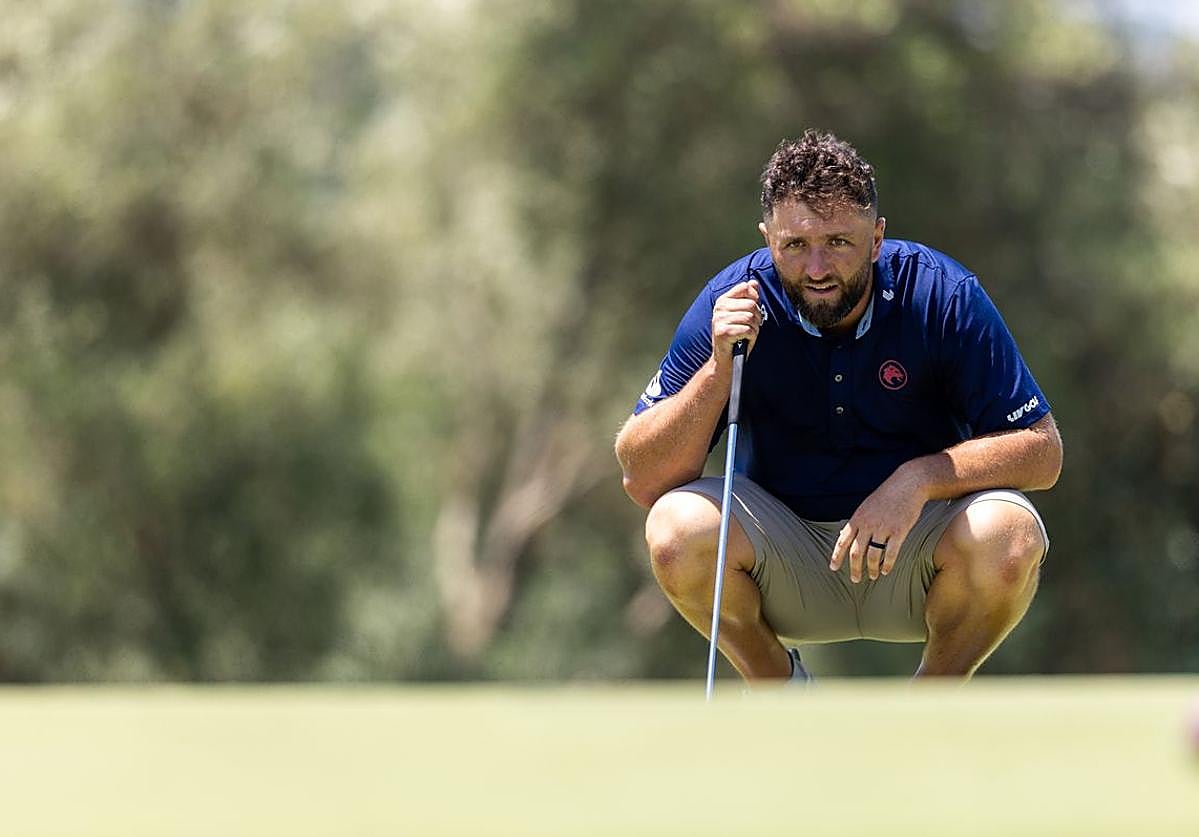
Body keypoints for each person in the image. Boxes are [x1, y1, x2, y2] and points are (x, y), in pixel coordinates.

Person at [614, 129, 1062, 683]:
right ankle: (779, 688)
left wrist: (918, 480)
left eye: (839, 242)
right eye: (794, 246)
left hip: (916, 555)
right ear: (767, 239)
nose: (817, 268)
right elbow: (642, 478)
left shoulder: (941, 294)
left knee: (1009, 533)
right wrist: (718, 370)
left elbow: (1042, 452)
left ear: (877, 239)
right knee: (675, 529)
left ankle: (929, 706)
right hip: (784, 564)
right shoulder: (732, 301)